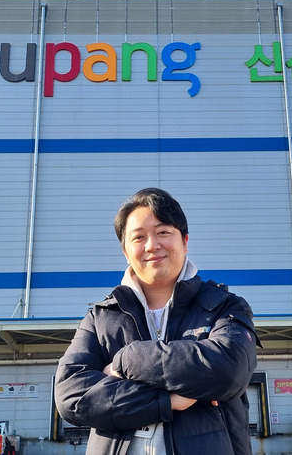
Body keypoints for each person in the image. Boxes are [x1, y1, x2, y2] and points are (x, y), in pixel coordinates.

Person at [55, 187, 259, 454]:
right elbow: (71, 396)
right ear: (126, 251)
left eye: (163, 232)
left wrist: (124, 361)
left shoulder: (224, 306)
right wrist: (167, 401)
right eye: (138, 237)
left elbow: (228, 371)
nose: (152, 245)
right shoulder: (101, 317)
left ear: (185, 241)